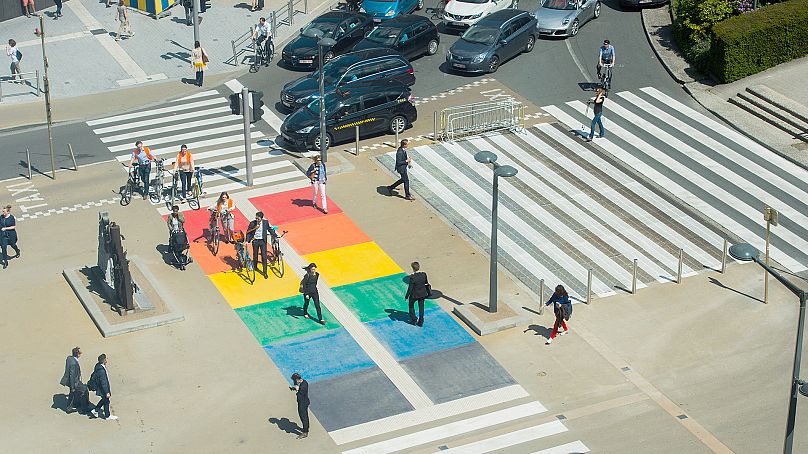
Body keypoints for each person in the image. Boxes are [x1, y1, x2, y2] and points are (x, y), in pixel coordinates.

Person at [60, 347, 89, 414]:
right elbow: (72, 375)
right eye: (80, 353)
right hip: (75, 382)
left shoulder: (69, 358)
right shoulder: (74, 363)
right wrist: (73, 387)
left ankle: (70, 407)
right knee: (84, 390)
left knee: (72, 393)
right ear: (77, 354)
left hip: (71, 381)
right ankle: (84, 408)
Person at [89, 354, 118, 420]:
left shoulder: (97, 366)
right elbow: (103, 382)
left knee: (104, 400)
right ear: (104, 360)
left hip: (100, 387)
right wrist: (107, 392)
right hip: (102, 388)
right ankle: (107, 416)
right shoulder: (101, 371)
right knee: (106, 401)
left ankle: (95, 410)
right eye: (105, 359)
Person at [246, 211, 271, 279]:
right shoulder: (252, 223)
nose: (257, 220)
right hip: (255, 241)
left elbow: (269, 229)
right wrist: (247, 241)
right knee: (255, 255)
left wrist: (274, 235)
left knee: (264, 257)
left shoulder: (265, 222)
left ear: (261, 218)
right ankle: (255, 266)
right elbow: (248, 232)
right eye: (256, 218)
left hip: (262, 241)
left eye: (258, 219)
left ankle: (265, 272)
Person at [405, 261, 430, 327]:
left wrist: (406, 296)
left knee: (411, 305)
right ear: (419, 267)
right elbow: (426, 283)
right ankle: (421, 321)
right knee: (421, 307)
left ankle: (414, 320)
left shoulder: (412, 277)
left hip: (415, 295)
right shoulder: (424, 274)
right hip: (423, 294)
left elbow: (410, 288)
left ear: (412, 268)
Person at [289, 373, 310, 439]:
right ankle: (306, 428)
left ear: (297, 379)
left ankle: (305, 432)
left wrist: (297, 390)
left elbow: (300, 395)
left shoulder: (303, 386)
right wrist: (294, 388)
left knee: (303, 417)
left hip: (303, 403)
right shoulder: (304, 382)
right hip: (304, 402)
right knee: (304, 416)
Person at [1, 204, 19, 269]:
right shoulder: (1, 217)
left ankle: (17, 251)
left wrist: (5, 228)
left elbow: (13, 226)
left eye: (4, 212)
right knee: (3, 247)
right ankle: (5, 262)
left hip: (11, 234)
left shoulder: (11, 218)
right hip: (3, 235)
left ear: (8, 212)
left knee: (13, 245)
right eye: (3, 211)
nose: (3, 213)